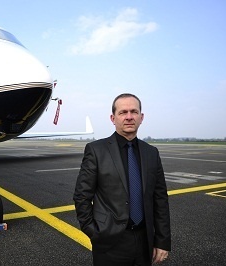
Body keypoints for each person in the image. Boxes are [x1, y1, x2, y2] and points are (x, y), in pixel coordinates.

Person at [73, 93, 171, 265]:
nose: (129, 117)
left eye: (134, 112)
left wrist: (162, 241)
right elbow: (82, 196)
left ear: (142, 117)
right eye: (123, 112)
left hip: (144, 241)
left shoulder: (151, 153)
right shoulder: (96, 150)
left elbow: (160, 199)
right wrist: (94, 232)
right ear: (113, 118)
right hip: (109, 242)